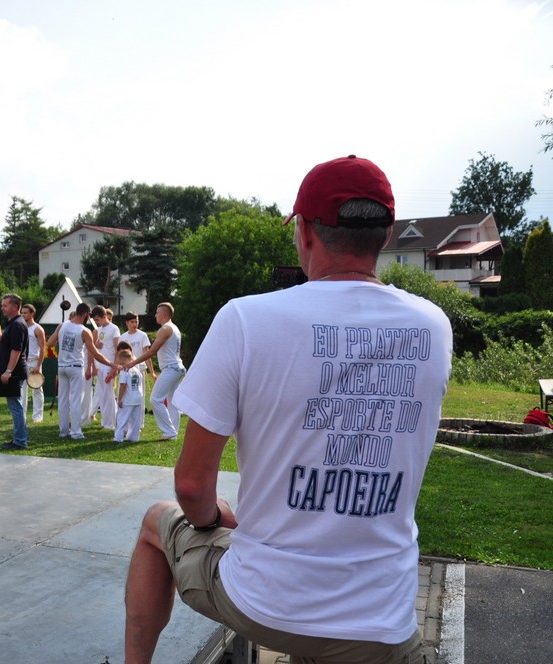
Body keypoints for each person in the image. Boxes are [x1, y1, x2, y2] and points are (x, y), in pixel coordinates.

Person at [123, 155, 453, 664]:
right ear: (385, 237)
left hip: (264, 601)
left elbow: (190, 487)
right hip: (383, 622)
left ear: (304, 232)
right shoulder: (434, 326)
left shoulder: (246, 319)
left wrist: (215, 518)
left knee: (154, 523)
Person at [45, 307, 114, 440]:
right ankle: (76, 432)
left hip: (62, 366)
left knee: (63, 400)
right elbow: (95, 353)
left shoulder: (62, 325)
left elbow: (50, 343)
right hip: (76, 367)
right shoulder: (84, 331)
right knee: (76, 401)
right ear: (86, 314)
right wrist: (111, 364)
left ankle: (63, 431)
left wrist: (62, 340)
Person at [124, 302, 184, 441]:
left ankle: (169, 432)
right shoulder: (173, 328)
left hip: (171, 369)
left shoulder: (165, 329)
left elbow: (152, 351)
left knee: (155, 399)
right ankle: (172, 434)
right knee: (172, 402)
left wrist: (132, 363)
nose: (155, 315)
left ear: (163, 314)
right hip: (177, 368)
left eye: (157, 313)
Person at [0, 294, 30, 450]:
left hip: (14, 373)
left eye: (5, 305)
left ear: (15, 307)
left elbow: (16, 350)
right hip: (10, 372)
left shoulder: (17, 325)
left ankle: (20, 440)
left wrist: (8, 371)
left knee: (16, 407)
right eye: (2, 305)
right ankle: (18, 438)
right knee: (14, 406)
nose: (2, 308)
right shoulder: (12, 323)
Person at [90, 305, 120, 430]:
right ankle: (105, 422)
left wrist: (114, 368)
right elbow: (99, 346)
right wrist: (96, 344)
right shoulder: (100, 329)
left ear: (104, 316)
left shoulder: (114, 329)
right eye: (95, 320)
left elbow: (118, 348)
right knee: (102, 395)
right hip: (100, 366)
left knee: (109, 395)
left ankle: (112, 423)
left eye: (97, 320)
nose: (96, 323)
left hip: (109, 365)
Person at [20, 303, 46, 423]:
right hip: (22, 362)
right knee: (21, 390)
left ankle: (37, 416)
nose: (23, 314)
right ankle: (22, 415)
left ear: (32, 314)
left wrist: (38, 365)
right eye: (22, 312)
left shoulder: (37, 329)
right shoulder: (21, 327)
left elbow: (42, 349)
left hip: (34, 362)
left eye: (25, 312)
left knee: (37, 389)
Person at [114, 348, 143, 444]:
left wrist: (120, 399)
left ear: (122, 359)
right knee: (135, 420)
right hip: (138, 397)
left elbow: (123, 385)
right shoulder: (137, 370)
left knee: (122, 418)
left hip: (128, 398)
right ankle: (133, 438)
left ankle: (118, 438)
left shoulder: (124, 370)